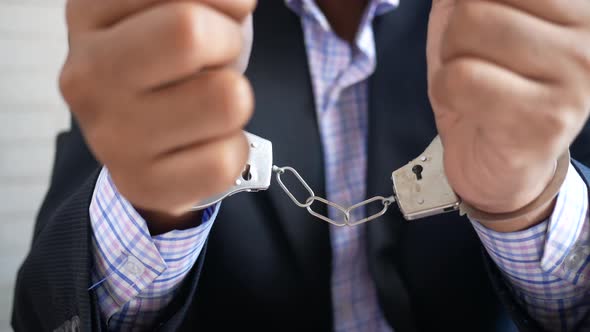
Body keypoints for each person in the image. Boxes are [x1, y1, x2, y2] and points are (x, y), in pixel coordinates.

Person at [11, 0, 590, 331]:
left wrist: (527, 203)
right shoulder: (166, 24)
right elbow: (52, 312)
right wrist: (156, 199)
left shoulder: (539, 24)